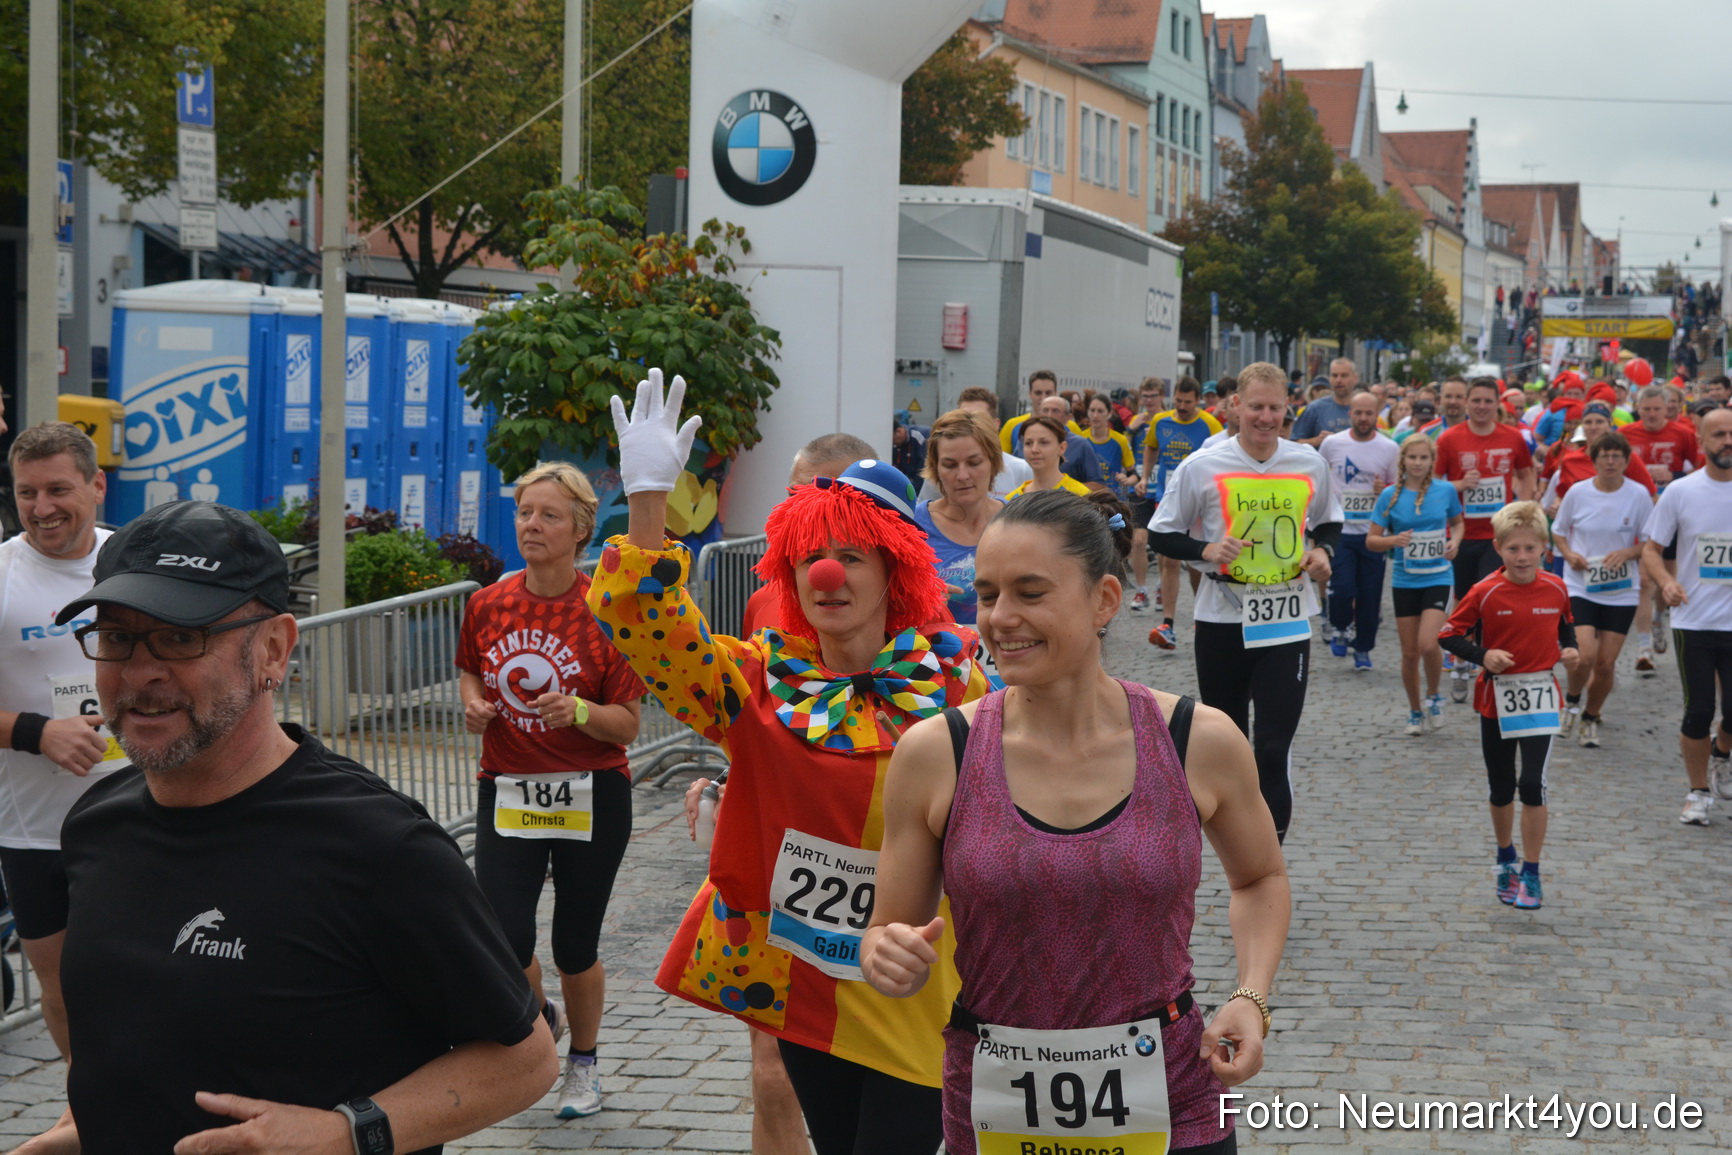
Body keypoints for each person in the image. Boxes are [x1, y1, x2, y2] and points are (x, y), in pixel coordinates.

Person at [28, 500, 556, 1153]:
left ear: (273, 647)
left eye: (180, 636)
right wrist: (87, 1125)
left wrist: (343, 1131)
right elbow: (133, 1049)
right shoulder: (95, 825)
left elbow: (526, 1058)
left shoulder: (378, 844)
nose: (139, 672)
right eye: (115, 637)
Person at [592, 372, 990, 1154]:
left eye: (849, 555)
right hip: (804, 973)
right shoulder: (759, 680)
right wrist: (647, 502)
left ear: (894, 572)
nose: (826, 575)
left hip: (917, 979)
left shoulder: (961, 679)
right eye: (809, 556)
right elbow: (654, 637)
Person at [861, 489, 1290, 1155]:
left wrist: (1251, 996)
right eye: (989, 593)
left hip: (1172, 1103)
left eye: (1030, 592)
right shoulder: (936, 751)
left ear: (1104, 601)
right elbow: (892, 929)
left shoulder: (1195, 740)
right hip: (999, 1110)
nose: (1001, 618)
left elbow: (1260, 876)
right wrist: (886, 952)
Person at [457, 462, 645, 1118]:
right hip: (507, 787)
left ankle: (584, 1065)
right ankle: (541, 1014)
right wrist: (475, 705)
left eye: (548, 515)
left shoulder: (606, 612)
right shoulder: (487, 602)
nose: (531, 526)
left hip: (591, 791)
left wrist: (582, 713)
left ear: (581, 530)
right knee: (503, 937)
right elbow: (469, 674)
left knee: (574, 942)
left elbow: (627, 723)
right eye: (524, 513)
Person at [1150, 362, 1342, 842]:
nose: (1265, 417)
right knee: (1231, 745)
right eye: (1256, 406)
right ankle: (1238, 846)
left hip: (1286, 621)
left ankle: (1268, 854)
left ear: (1287, 409)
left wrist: (1323, 551)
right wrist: (1206, 551)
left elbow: (1329, 521)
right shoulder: (1202, 466)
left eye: (1275, 408)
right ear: (1235, 405)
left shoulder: (1307, 463)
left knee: (1273, 749)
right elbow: (1161, 533)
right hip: (1221, 622)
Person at [0, 424, 121, 1061]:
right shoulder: (3, 575)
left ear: (96, 485)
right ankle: (89, 1102)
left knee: (155, 971)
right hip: (36, 829)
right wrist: (37, 732)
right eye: (26, 493)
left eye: (57, 489)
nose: (42, 507)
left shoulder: (132, 559)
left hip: (142, 809)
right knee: (64, 986)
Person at [1439, 502, 1578, 911]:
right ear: (1498, 548)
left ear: (1543, 549)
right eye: (1513, 549)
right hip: (1495, 699)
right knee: (1501, 787)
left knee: (1532, 784)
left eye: (1530, 549)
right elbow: (1448, 635)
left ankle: (1531, 872)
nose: (1522, 557)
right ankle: (1505, 858)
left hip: (1540, 697)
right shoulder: (1485, 591)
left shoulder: (1555, 587)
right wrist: (1483, 656)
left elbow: (1565, 626)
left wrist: (1569, 649)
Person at [1641, 407, 1732, 826]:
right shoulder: (1682, 492)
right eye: (1718, 435)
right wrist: (1665, 583)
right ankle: (1697, 792)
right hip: (1695, 621)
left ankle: (1722, 754)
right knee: (1699, 710)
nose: (1727, 441)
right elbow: (1652, 549)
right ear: (1701, 442)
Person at [1436, 377, 1536, 700]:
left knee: (1491, 598)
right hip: (1462, 533)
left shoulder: (1512, 438)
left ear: (1497, 405)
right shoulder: (1450, 439)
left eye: (1487, 401)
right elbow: (1434, 483)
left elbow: (1524, 473)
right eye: (1475, 400)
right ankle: (1463, 661)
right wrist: (1460, 485)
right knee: (1465, 600)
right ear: (1466, 403)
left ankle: (1487, 661)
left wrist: (1523, 507)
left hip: (1498, 536)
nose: (1481, 407)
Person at [1550, 431, 1652, 748]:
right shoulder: (1578, 493)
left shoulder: (1638, 495)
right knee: (1584, 656)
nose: (1610, 461)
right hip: (1581, 586)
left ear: (1626, 461)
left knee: (1606, 664)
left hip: (1621, 590)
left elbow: (1650, 541)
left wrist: (1628, 552)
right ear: (1593, 461)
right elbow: (1558, 532)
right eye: (1604, 456)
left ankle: (1591, 717)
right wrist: (1569, 555)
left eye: (1617, 456)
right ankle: (1573, 699)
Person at [1367, 435, 1464, 734]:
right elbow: (1371, 540)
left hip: (1437, 575)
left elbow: (1458, 523)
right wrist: (1392, 541)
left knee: (1427, 643)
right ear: (1403, 461)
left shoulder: (1445, 490)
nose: (1418, 463)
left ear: (1431, 461)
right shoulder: (1389, 496)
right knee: (1409, 653)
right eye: (1413, 458)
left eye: (1424, 458)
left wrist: (1455, 542)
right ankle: (1414, 711)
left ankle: (1434, 695)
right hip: (1405, 579)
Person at [1137, 377, 1223, 642]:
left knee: (1195, 561)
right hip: (1167, 496)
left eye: (1188, 402)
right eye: (1179, 401)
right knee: (1170, 559)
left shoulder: (1210, 424)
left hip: (1198, 500)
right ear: (1172, 398)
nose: (1183, 406)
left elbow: (1222, 456)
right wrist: (1145, 476)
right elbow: (1151, 448)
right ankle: (1168, 624)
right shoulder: (1161, 421)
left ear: (1197, 400)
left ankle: (1201, 616)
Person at [1318, 392, 1399, 670]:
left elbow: (1396, 488)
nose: (1364, 419)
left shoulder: (1389, 448)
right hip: (1340, 530)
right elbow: (1318, 478)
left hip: (1372, 533)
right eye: (1358, 413)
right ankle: (1339, 625)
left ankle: (1363, 647)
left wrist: (1384, 490)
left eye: (1369, 413)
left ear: (1377, 414)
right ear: (1350, 413)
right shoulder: (1332, 444)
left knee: (1370, 594)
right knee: (1341, 588)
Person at [913, 410, 1006, 627]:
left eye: (974, 463)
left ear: (993, 462)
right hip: (935, 655)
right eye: (950, 465)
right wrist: (920, 599)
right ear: (935, 468)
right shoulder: (913, 527)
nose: (963, 475)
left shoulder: (1019, 522)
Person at [1124, 378, 1169, 611]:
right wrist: (1132, 429)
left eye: (1153, 396)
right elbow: (1123, 445)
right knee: (1138, 540)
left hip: (1164, 487)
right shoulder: (1135, 422)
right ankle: (1142, 591)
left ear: (1161, 396)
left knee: (1162, 544)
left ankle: (1162, 586)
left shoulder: (1168, 420)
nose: (1149, 401)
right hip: (1140, 486)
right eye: (1145, 396)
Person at [951, 386, 1034, 498]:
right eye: (962, 419)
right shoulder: (945, 468)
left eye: (978, 419)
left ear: (995, 425)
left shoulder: (1021, 469)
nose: (969, 426)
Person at [1007, 415, 1092, 498]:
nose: (1034, 449)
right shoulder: (1012, 499)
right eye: (1028, 443)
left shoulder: (1081, 496)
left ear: (1062, 448)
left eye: (1043, 442)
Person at [1081, 393, 1139, 500]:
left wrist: (1126, 480)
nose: (1095, 415)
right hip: (1087, 500)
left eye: (1100, 411)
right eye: (1092, 410)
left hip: (1113, 500)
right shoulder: (1081, 439)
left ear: (1109, 413)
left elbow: (1134, 475)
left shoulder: (1120, 440)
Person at [1291, 358, 1360, 447]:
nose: (1338, 380)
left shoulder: (1363, 409)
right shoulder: (1315, 409)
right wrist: (1316, 441)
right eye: (1334, 376)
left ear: (1355, 378)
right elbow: (1293, 443)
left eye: (1344, 375)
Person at [999, 370, 1059, 454]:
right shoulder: (1012, 425)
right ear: (1030, 394)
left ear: (1055, 393)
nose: (1043, 397)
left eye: (1048, 393)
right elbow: (1002, 462)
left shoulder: (1070, 427)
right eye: (1038, 393)